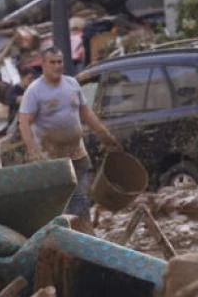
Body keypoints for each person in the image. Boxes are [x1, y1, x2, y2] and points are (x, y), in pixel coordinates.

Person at [18, 47, 121, 229]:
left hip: (77, 155)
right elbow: (24, 122)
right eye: (52, 62)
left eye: (60, 62)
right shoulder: (35, 91)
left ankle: (85, 234)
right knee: (60, 203)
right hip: (52, 159)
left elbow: (86, 114)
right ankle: (68, 237)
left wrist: (105, 136)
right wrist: (32, 151)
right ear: (43, 65)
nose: (57, 66)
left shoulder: (72, 84)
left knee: (81, 198)